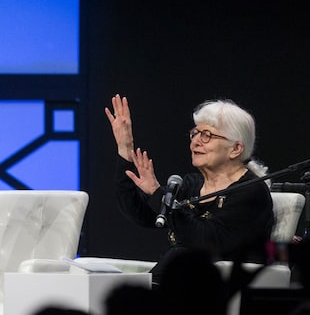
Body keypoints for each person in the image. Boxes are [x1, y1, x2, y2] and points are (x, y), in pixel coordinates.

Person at [105, 94, 273, 283]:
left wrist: (157, 193)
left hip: (217, 292)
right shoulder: (191, 185)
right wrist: (125, 151)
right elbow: (141, 215)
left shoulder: (251, 192)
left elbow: (206, 241)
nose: (195, 141)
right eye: (195, 133)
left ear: (235, 149)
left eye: (207, 135)